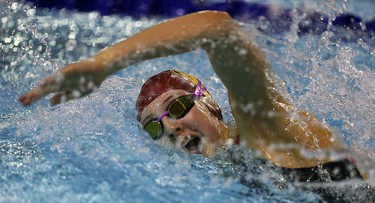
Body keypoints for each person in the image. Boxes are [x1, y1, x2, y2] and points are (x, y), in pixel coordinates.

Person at [19, 11, 367, 181]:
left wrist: (103, 64)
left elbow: (218, 29)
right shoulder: (233, 165)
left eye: (178, 106)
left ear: (211, 104)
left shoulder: (266, 128)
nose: (170, 126)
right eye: (154, 128)